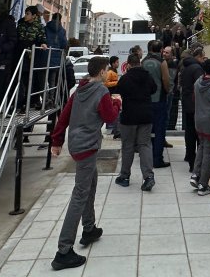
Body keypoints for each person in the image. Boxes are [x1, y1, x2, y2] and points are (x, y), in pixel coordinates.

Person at [49, 56, 120, 271]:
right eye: (106, 70)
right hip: (87, 146)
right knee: (80, 194)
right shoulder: (101, 92)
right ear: (100, 72)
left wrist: (57, 140)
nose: (108, 73)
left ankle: (89, 228)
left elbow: (65, 116)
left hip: (78, 144)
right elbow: (110, 117)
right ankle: (63, 251)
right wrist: (117, 102)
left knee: (91, 183)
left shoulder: (80, 90)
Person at [114, 53, 158, 190]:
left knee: (128, 146)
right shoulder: (148, 76)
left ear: (128, 65)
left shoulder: (125, 79)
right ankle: (148, 177)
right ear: (140, 63)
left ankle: (125, 177)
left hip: (129, 117)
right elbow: (154, 89)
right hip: (146, 116)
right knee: (145, 145)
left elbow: (118, 91)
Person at [191, 58, 210, 195]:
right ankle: (203, 184)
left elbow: (194, 98)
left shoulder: (197, 82)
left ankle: (195, 174)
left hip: (198, 120)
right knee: (209, 153)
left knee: (201, 148)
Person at [142, 40, 171, 168]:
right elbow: (165, 79)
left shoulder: (143, 62)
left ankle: (146, 157)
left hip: (145, 100)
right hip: (159, 100)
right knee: (159, 130)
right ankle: (157, 158)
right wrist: (167, 90)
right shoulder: (161, 62)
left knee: (147, 130)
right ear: (160, 50)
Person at [180, 47, 205, 173]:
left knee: (189, 132)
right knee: (198, 134)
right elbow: (200, 86)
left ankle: (189, 157)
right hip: (195, 104)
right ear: (199, 56)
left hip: (187, 103)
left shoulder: (185, 67)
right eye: (203, 57)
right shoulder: (197, 68)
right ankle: (197, 163)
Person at [44, 11, 69, 87]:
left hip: (45, 57)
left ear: (52, 18)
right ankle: (51, 97)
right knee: (52, 81)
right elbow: (64, 44)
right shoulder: (62, 31)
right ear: (60, 20)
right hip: (56, 59)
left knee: (42, 80)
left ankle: (43, 96)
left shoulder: (46, 28)